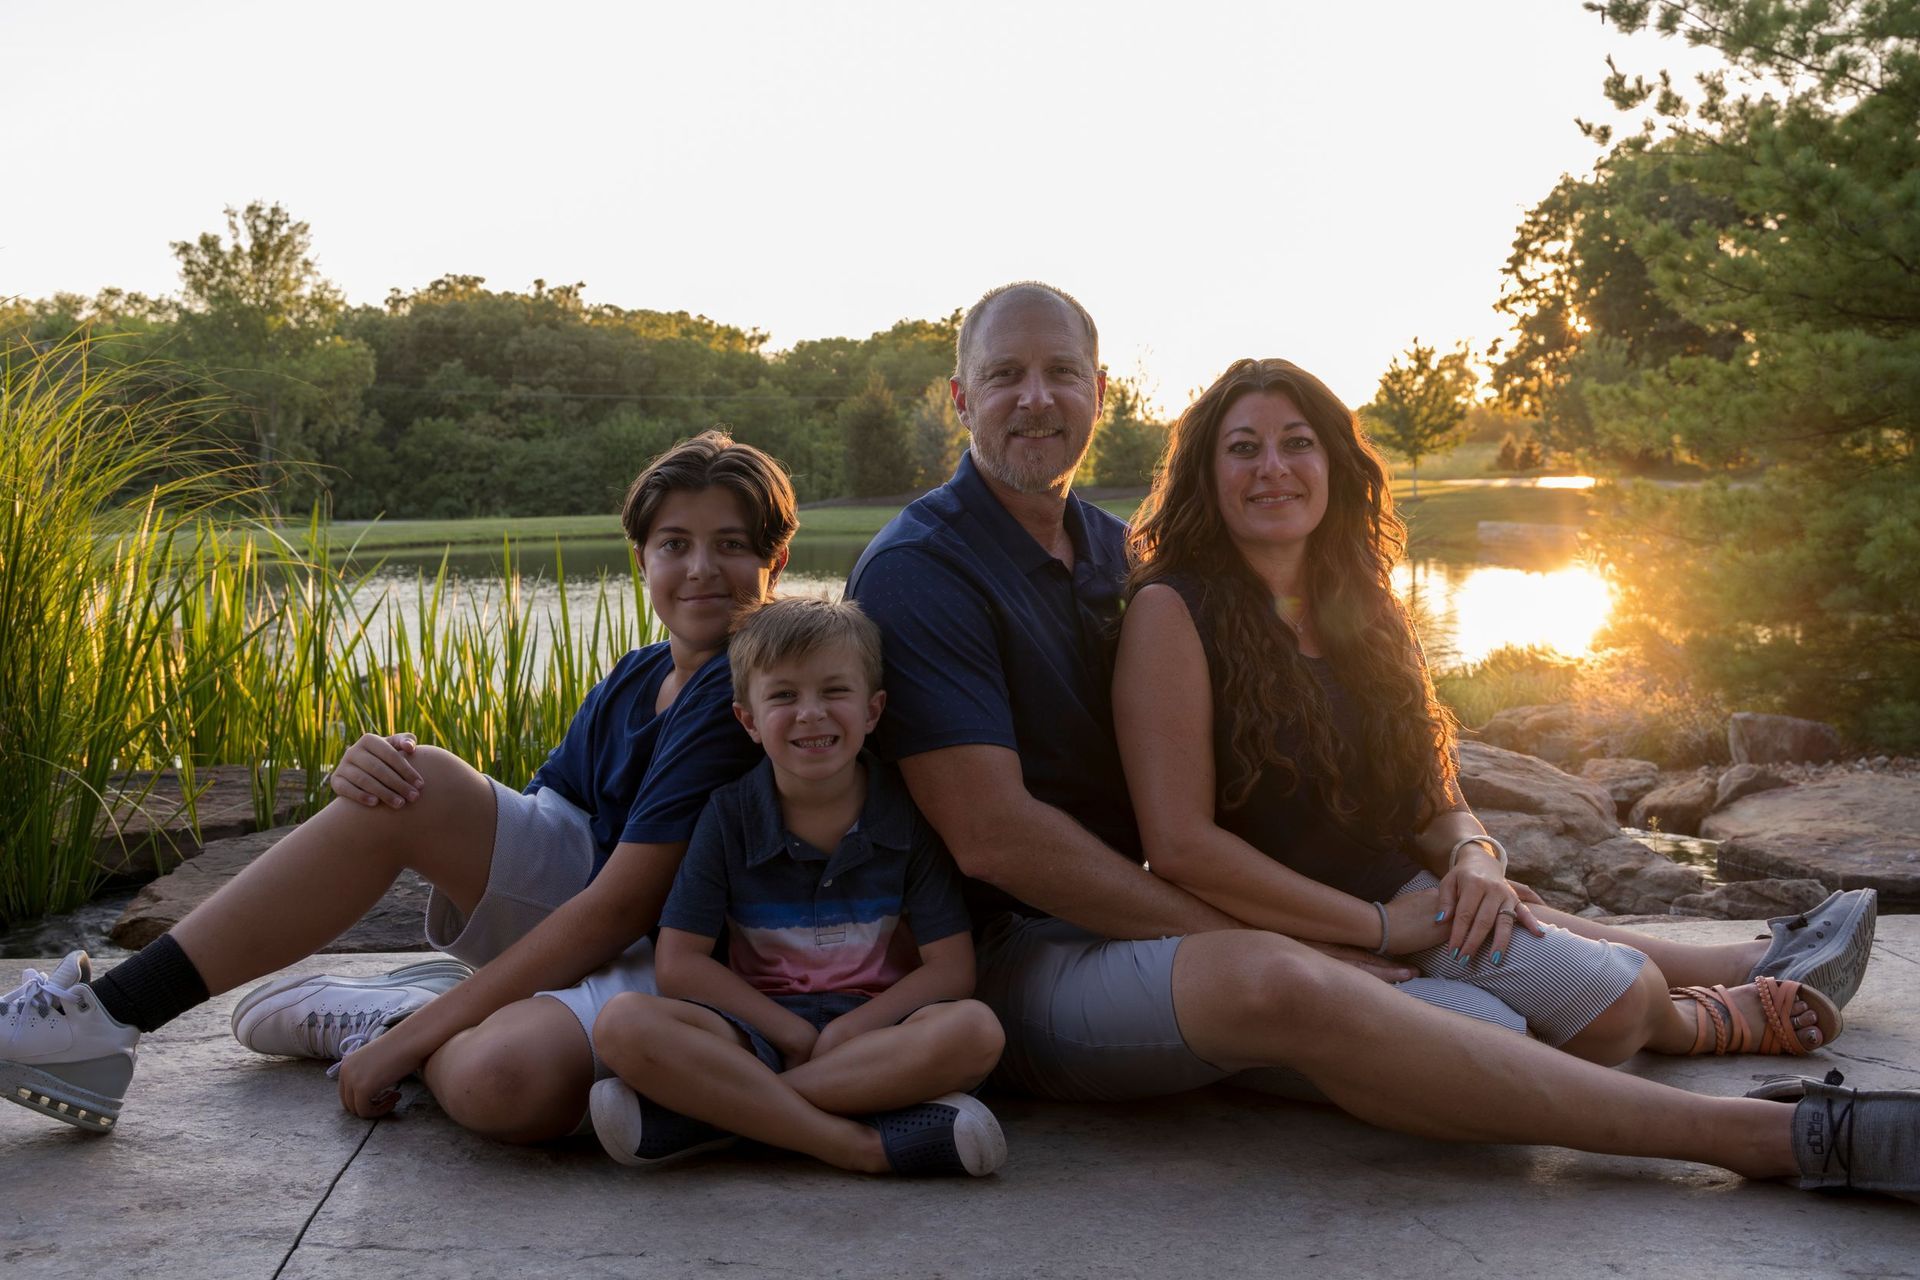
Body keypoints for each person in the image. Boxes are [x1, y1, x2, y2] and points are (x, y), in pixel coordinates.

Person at [846, 280, 1914, 1202]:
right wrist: (1306, 942)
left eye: (1061, 372)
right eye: (1005, 376)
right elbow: (998, 842)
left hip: (1159, 919)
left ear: (1100, 391)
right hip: (1010, 957)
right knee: (1297, 986)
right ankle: (1777, 1136)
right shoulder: (921, 569)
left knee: (1483, 1030)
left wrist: (1464, 853)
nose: (1037, 398)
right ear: (960, 397)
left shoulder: (1108, 550)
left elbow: (1364, 776)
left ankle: (1677, 994)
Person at [1, 429, 794, 1142]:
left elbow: (622, 905)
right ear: (642, 560)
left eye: (729, 545)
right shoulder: (641, 672)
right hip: (603, 924)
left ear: (775, 562)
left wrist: (412, 1042)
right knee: (406, 777)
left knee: (500, 1086)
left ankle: (401, 1014)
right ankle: (109, 1016)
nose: (699, 569)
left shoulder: (745, 692)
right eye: (674, 544)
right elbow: (544, 821)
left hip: (673, 954)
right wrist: (386, 782)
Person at [1114, 355, 1861, 1065]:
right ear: (1208, 479)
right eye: (1244, 448)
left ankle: (1709, 981)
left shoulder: (1367, 608)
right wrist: (1375, 927)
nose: (1272, 468)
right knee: (1517, 1034)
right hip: (1274, 928)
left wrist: (1476, 859)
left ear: (1335, 468)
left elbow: (1435, 799)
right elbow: (1180, 847)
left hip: (1407, 902)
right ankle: (1698, 1016)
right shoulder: (1172, 611)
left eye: (1297, 443)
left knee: (1597, 995)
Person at [587, 596, 1007, 1176]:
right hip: (752, 1031)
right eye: (783, 696)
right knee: (623, 1024)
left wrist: (845, 1032)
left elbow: (951, 969)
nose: (810, 713)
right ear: (749, 721)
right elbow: (679, 964)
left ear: (873, 710)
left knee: (974, 1031)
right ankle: (854, 1145)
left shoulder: (906, 815)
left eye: (834, 691)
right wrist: (786, 1030)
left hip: (873, 1037)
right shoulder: (728, 816)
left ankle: (719, 1116)